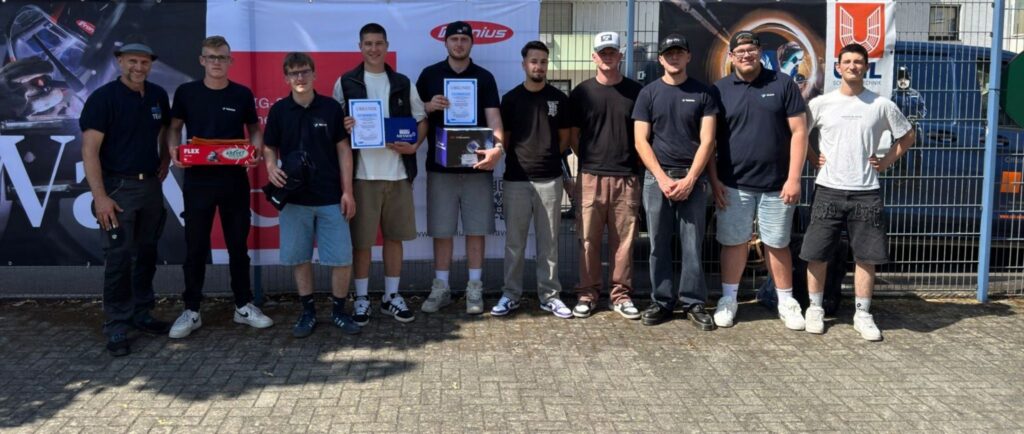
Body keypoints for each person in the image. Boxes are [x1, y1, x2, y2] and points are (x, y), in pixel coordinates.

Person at [802, 43, 915, 341]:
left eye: (858, 62)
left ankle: (863, 314)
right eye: (847, 61)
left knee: (867, 256)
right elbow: (800, 135)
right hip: (828, 189)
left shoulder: (881, 105)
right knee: (817, 253)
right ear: (837, 67)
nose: (852, 66)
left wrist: (885, 162)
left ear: (866, 67)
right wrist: (813, 158)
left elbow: (907, 136)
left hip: (866, 192)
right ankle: (815, 308)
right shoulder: (821, 104)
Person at [166, 36, 273, 339]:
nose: (216, 62)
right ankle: (191, 310)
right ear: (202, 60)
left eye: (222, 57)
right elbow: (174, 128)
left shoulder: (241, 94)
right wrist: (173, 150)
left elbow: (254, 130)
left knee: (238, 246)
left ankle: (243, 305)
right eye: (211, 57)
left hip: (234, 180)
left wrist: (255, 151)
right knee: (196, 247)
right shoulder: (187, 92)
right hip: (198, 181)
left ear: (230, 61)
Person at [708, 31, 808, 330]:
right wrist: (714, 180)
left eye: (751, 49)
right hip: (732, 184)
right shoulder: (719, 90)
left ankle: (786, 302)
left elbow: (799, 132)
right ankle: (728, 300)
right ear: (731, 56)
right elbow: (709, 141)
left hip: (778, 185)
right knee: (733, 243)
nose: (746, 55)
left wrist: (794, 178)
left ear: (759, 52)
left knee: (777, 244)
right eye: (740, 51)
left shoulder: (783, 84)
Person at [80, 42, 172, 356]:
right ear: (119, 61)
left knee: (147, 252)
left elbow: (164, 129)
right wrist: (100, 197)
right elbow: (89, 151)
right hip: (117, 189)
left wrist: (164, 159)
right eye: (132, 61)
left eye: (144, 62)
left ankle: (141, 313)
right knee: (119, 257)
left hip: (150, 188)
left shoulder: (157, 95)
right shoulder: (103, 98)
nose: (138, 67)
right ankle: (117, 324)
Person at [333, 23, 427, 325]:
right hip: (362, 175)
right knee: (361, 242)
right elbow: (334, 126)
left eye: (378, 43)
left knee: (395, 238)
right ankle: (361, 298)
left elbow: (421, 119)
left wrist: (414, 145)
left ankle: (391, 296)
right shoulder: (345, 82)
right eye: (368, 43)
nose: (373, 49)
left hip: (398, 174)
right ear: (360, 47)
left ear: (387, 46)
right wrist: (344, 125)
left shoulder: (402, 82)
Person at [262, 52, 360, 338]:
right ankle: (308, 312)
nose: (300, 77)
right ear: (286, 78)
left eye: (304, 71)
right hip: (294, 199)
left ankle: (339, 311)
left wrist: (348, 191)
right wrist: (270, 166)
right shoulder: (279, 110)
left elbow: (344, 150)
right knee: (299, 257)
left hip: (330, 196)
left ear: (314, 74)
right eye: (294, 73)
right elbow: (269, 146)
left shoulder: (330, 108)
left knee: (341, 258)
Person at [416, 21, 505, 315]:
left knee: (476, 229)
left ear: (471, 43)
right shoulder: (430, 75)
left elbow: (494, 119)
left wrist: (498, 148)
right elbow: (414, 114)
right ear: (445, 43)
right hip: (440, 167)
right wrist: (428, 105)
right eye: (453, 39)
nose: (458, 44)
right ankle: (441, 288)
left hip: (476, 164)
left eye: (463, 39)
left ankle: (474, 288)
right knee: (441, 230)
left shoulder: (485, 77)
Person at [632, 34, 718, 329]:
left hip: (693, 179)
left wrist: (691, 179)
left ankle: (693, 302)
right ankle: (662, 301)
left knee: (692, 244)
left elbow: (708, 141)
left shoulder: (704, 93)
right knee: (657, 243)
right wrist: (661, 177)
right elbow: (641, 141)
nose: (674, 57)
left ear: (688, 56)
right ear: (660, 59)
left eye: (679, 52)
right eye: (669, 53)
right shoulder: (648, 94)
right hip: (657, 179)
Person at [489, 41, 571, 318]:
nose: (539, 66)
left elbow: (564, 139)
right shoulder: (511, 99)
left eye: (543, 61)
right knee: (515, 242)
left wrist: (547, 158)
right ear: (524, 64)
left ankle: (550, 296)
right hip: (516, 179)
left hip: (550, 180)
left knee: (549, 242)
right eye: (534, 61)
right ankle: (511, 294)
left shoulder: (559, 99)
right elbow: (505, 140)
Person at [567, 31, 644, 320]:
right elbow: (573, 136)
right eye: (603, 52)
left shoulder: (636, 92)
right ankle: (587, 294)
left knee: (624, 241)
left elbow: (643, 136)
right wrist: (590, 159)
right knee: (588, 239)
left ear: (620, 55)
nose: (607, 56)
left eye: (612, 52)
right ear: (594, 57)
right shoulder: (582, 92)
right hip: (590, 176)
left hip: (626, 177)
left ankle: (620, 296)